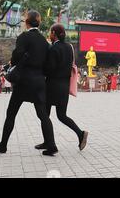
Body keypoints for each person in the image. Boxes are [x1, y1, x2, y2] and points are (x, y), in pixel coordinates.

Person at [0, 11, 58, 156]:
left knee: (11, 113)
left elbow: (15, 58)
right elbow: (48, 64)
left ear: (26, 22)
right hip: (39, 81)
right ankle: (51, 145)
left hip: (24, 81)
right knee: (43, 115)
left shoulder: (23, 37)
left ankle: (3, 145)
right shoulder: (45, 42)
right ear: (38, 22)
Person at [35, 24, 89, 152]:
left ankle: (49, 143)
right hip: (64, 86)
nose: (49, 35)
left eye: (50, 32)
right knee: (62, 115)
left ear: (54, 33)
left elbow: (50, 69)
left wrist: (41, 69)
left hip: (52, 86)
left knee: (44, 114)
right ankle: (80, 134)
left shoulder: (54, 49)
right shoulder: (69, 47)